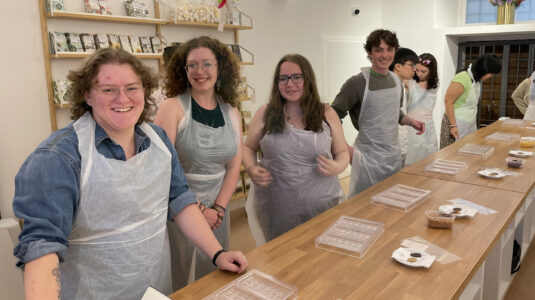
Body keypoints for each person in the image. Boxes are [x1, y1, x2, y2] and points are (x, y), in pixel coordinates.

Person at [12, 48, 247, 300]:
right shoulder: (57, 157)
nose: (122, 98)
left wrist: (217, 253)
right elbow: (42, 248)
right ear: (87, 95)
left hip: (155, 288)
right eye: (108, 89)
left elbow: (180, 201)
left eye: (132, 88)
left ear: (145, 92)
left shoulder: (158, 141)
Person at [154, 36, 242, 290]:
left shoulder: (231, 111)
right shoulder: (171, 108)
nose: (199, 71)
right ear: (183, 70)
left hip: (219, 208)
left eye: (207, 64)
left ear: (220, 68)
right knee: (182, 276)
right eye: (192, 65)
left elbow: (234, 166)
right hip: (180, 207)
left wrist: (219, 209)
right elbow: (164, 168)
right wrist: (200, 210)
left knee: (214, 272)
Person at [242, 54, 349, 243]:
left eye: (296, 77)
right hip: (278, 209)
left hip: (323, 205)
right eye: (283, 78)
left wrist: (338, 166)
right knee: (283, 260)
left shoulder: (326, 113)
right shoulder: (265, 114)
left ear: (307, 79)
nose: (289, 84)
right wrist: (251, 168)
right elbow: (248, 147)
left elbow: (342, 153)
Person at [331, 29, 424, 197]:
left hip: (392, 156)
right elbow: (331, 117)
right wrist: (345, 149)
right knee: (364, 206)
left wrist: (410, 121)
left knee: (390, 205)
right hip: (367, 159)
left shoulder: (396, 80)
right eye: (379, 50)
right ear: (369, 52)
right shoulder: (356, 83)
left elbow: (394, 113)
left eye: (389, 49)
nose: (385, 55)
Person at [440, 54, 501, 148]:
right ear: (483, 70)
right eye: (491, 73)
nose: (491, 76)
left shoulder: (476, 80)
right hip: (454, 124)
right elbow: (448, 101)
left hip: (468, 124)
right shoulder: (463, 77)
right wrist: (453, 126)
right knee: (452, 155)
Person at [405, 53, 440, 165]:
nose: (419, 74)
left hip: (429, 125)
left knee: (429, 158)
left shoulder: (435, 84)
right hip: (413, 125)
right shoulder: (409, 82)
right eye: (417, 70)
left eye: (423, 71)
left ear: (432, 71)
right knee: (413, 159)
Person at [389, 47, 419, 167]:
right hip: (392, 140)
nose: (414, 69)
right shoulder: (390, 86)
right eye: (411, 65)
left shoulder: (400, 84)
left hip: (401, 135)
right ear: (398, 66)